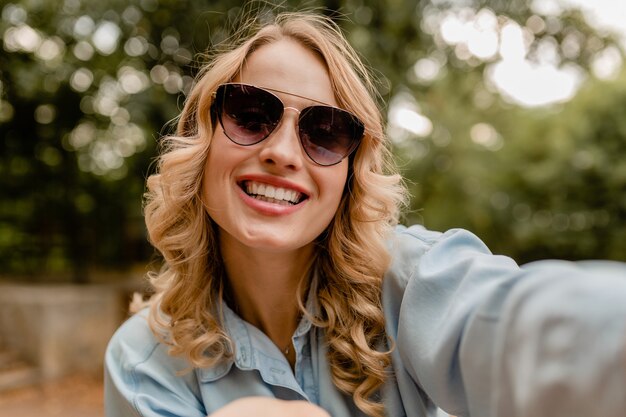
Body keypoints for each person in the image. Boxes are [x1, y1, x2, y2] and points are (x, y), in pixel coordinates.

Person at [104, 10, 626, 417]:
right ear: (203, 141)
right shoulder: (143, 362)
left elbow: (532, 331)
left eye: (325, 132)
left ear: (349, 176)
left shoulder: (414, 282)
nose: (284, 153)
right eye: (249, 114)